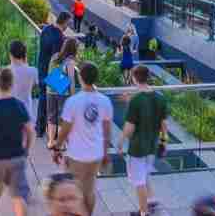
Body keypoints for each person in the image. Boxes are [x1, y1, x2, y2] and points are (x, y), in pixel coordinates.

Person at [52, 61, 112, 216]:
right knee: (89, 190)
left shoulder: (73, 102)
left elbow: (65, 130)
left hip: (76, 155)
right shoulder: (105, 101)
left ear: (80, 78)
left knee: (73, 191)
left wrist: (57, 147)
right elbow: (107, 131)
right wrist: (105, 154)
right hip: (96, 155)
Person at [0, 68, 33, 216]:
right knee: (18, 197)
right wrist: (26, 149)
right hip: (16, 157)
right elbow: (30, 131)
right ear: (12, 84)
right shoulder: (19, 106)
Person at [117, 64, 168, 216]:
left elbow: (130, 127)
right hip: (152, 145)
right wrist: (164, 141)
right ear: (148, 77)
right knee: (144, 176)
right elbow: (163, 124)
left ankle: (144, 212)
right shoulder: (160, 98)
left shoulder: (136, 100)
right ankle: (150, 202)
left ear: (134, 78)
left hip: (137, 148)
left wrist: (120, 142)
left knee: (139, 182)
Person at [37, 12, 71, 136]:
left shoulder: (46, 30)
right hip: (52, 72)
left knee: (42, 98)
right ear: (65, 22)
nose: (69, 25)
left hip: (41, 68)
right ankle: (56, 132)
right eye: (69, 23)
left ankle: (40, 128)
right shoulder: (59, 37)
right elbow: (57, 60)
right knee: (62, 98)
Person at [46, 38, 78, 150]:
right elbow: (71, 80)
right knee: (61, 119)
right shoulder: (70, 61)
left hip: (50, 89)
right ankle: (61, 143)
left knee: (51, 117)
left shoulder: (55, 56)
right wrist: (73, 96)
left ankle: (50, 141)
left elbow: (49, 72)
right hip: (62, 93)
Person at [8, 40, 38, 118]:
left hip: (8, 114)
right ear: (24, 55)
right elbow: (50, 83)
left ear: (10, 55)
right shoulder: (33, 71)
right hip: (26, 113)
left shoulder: (3, 72)